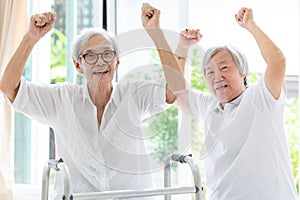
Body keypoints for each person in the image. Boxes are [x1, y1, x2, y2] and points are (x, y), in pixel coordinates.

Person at [0, 4, 179, 200]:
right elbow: (9, 87)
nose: (100, 62)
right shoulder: (62, 99)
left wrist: (155, 32)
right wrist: (31, 37)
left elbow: (175, 88)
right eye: (90, 56)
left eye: (107, 54)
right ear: (78, 65)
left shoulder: (133, 94)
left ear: (117, 63)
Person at [158, 6, 298, 200]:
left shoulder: (260, 99)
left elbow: (278, 62)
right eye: (210, 72)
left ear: (243, 72)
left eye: (224, 68)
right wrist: (182, 48)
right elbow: (175, 92)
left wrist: (250, 25)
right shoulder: (209, 106)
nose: (217, 77)